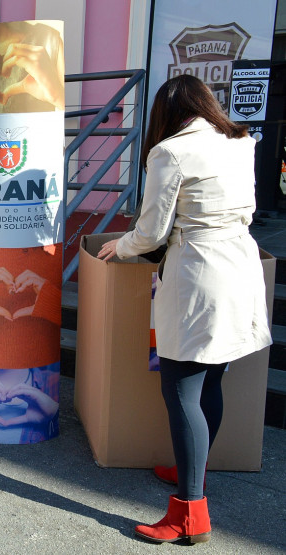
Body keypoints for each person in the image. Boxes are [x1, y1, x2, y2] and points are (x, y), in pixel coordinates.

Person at [97, 75, 272, 545]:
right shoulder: (240, 142)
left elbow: (152, 232)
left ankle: (189, 513)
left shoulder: (170, 152)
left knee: (180, 391)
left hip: (199, 272)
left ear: (166, 114)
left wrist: (121, 244)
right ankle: (193, 470)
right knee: (211, 378)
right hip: (239, 261)